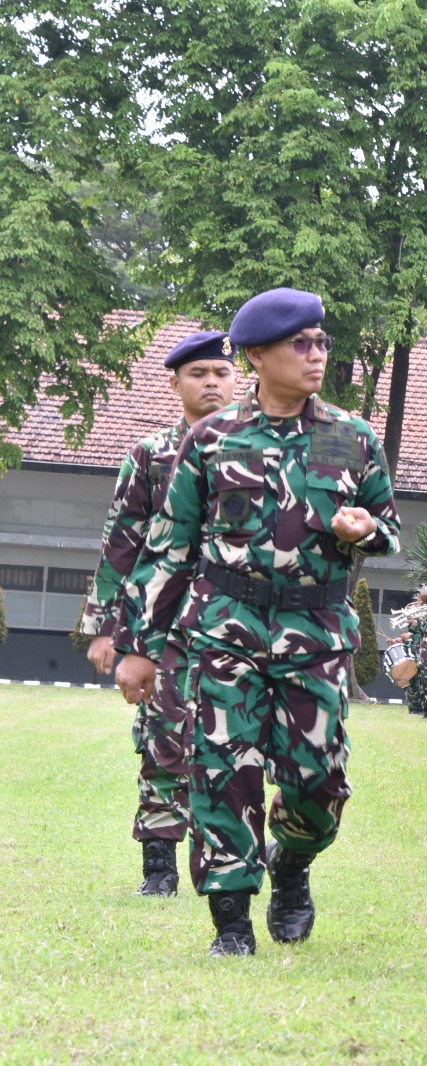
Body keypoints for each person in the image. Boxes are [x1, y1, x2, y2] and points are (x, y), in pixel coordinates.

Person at [114, 288, 402, 956]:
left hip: (316, 633)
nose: (316, 353)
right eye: (301, 343)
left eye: (322, 341)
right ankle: (232, 922)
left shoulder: (351, 436)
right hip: (227, 628)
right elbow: (170, 547)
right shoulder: (212, 438)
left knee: (318, 781)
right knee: (223, 772)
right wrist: (140, 647)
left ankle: (292, 861)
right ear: (257, 357)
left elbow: (388, 527)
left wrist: (364, 530)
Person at [83, 330, 239, 896]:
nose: (211, 383)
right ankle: (159, 865)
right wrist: (106, 627)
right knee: (163, 736)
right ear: (175, 383)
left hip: (236, 620)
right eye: (198, 374)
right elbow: (121, 543)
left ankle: (233, 859)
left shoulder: (254, 448)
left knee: (236, 743)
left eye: (221, 373)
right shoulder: (151, 455)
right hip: (164, 622)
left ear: (237, 380)